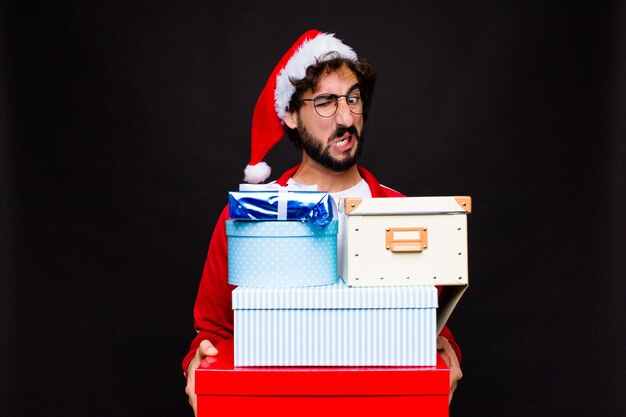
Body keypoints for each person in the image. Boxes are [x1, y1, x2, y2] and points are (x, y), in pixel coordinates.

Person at [183, 29, 463, 414]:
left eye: (353, 99)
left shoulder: (403, 213)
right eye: (326, 103)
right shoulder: (246, 216)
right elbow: (213, 331)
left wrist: (446, 355)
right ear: (291, 115)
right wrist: (199, 364)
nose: (346, 117)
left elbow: (426, 323)